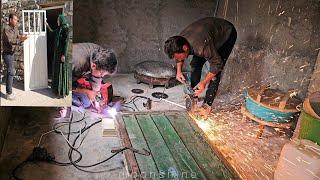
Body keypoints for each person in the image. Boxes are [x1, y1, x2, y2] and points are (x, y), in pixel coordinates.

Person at [164, 17, 237, 112]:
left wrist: (204, 82)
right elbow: (178, 57)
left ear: (185, 48)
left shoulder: (202, 47)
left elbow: (217, 65)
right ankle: (193, 94)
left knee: (216, 71)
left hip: (227, 33)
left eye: (178, 57)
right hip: (205, 35)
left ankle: (207, 105)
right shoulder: (179, 41)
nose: (178, 59)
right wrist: (179, 71)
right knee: (195, 64)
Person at [72, 43, 117, 111]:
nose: (102, 77)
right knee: (85, 103)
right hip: (56, 77)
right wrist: (86, 91)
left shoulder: (101, 54)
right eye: (101, 74)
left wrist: (96, 100)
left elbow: (97, 79)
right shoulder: (77, 64)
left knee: (87, 100)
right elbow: (62, 86)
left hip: (74, 72)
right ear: (93, 66)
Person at [2, 13, 28, 100]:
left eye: (17, 20)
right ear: (10, 20)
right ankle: (9, 94)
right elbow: (11, 41)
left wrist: (22, 37)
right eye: (15, 19)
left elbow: (17, 37)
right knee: (11, 71)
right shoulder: (6, 29)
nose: (17, 21)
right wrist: (20, 39)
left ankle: (9, 90)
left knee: (11, 71)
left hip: (12, 53)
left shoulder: (15, 29)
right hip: (7, 54)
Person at [46, 14, 70, 98]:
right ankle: (56, 90)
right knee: (56, 71)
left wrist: (64, 54)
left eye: (58, 20)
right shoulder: (58, 29)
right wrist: (47, 25)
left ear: (61, 20)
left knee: (62, 72)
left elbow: (66, 43)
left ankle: (62, 91)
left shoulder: (65, 29)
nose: (57, 21)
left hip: (62, 55)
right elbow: (52, 33)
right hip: (57, 54)